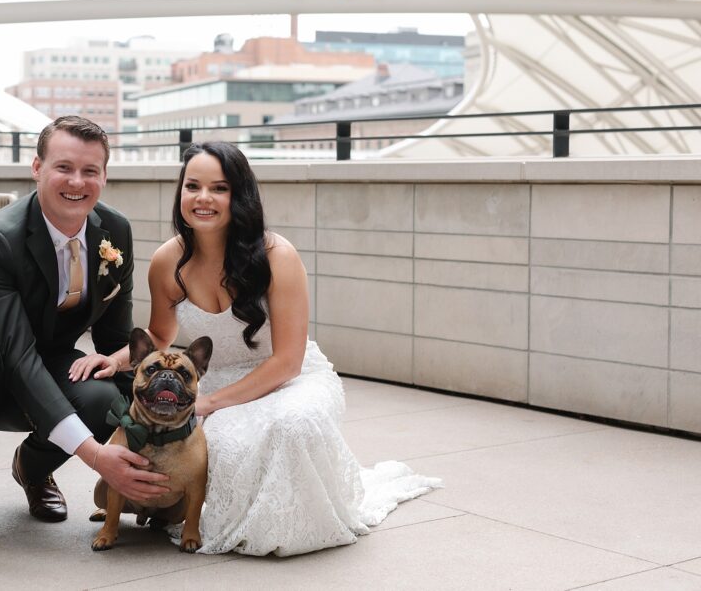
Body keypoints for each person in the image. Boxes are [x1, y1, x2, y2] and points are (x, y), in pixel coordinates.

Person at [69, 141, 441, 556]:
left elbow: (288, 361)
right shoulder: (166, 261)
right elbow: (159, 333)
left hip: (287, 379)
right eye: (192, 186)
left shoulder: (276, 255)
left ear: (239, 196)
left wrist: (208, 404)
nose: (203, 198)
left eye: (220, 188)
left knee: (291, 426)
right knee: (226, 448)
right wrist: (115, 358)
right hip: (218, 382)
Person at [0, 115, 167, 554]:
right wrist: (95, 456)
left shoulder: (114, 231)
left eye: (90, 171)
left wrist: (151, 430)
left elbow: (113, 343)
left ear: (105, 176)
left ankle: (32, 467)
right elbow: (15, 353)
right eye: (63, 167)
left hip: (41, 358)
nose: (77, 182)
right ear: (37, 168)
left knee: (105, 396)